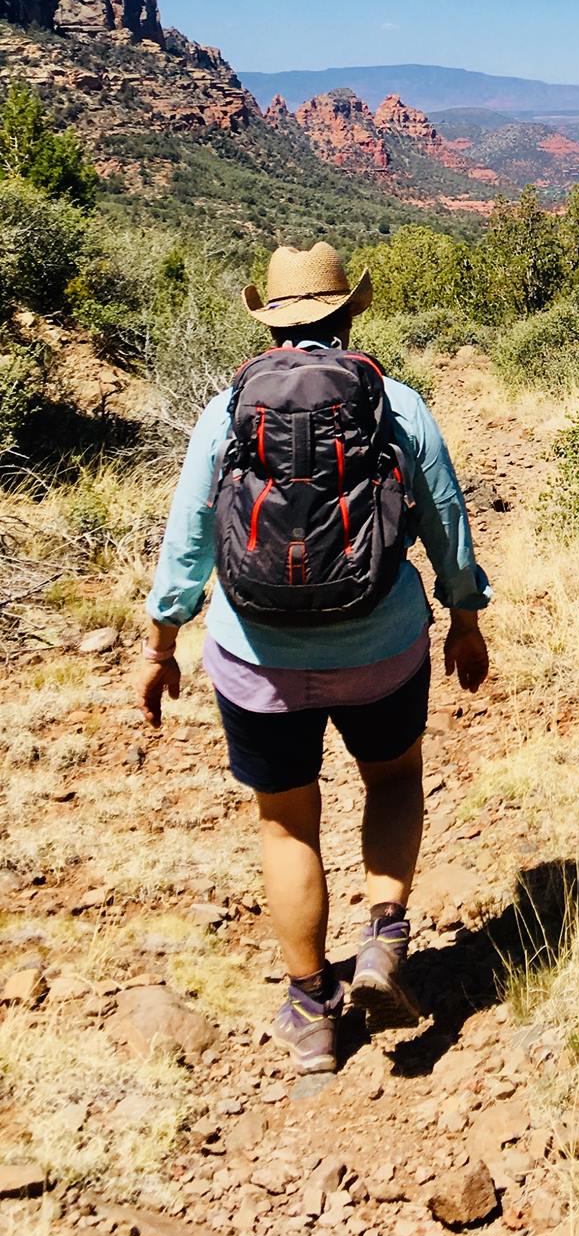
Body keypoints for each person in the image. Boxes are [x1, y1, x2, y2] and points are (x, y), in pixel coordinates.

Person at [136, 241, 492, 1073]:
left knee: (288, 821)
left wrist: (161, 642)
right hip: (381, 642)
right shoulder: (395, 403)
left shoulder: (227, 411)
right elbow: (446, 516)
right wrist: (465, 616)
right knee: (395, 778)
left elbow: (188, 536)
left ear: (271, 320)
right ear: (347, 313)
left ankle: (309, 1010)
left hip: (253, 653)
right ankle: (383, 938)